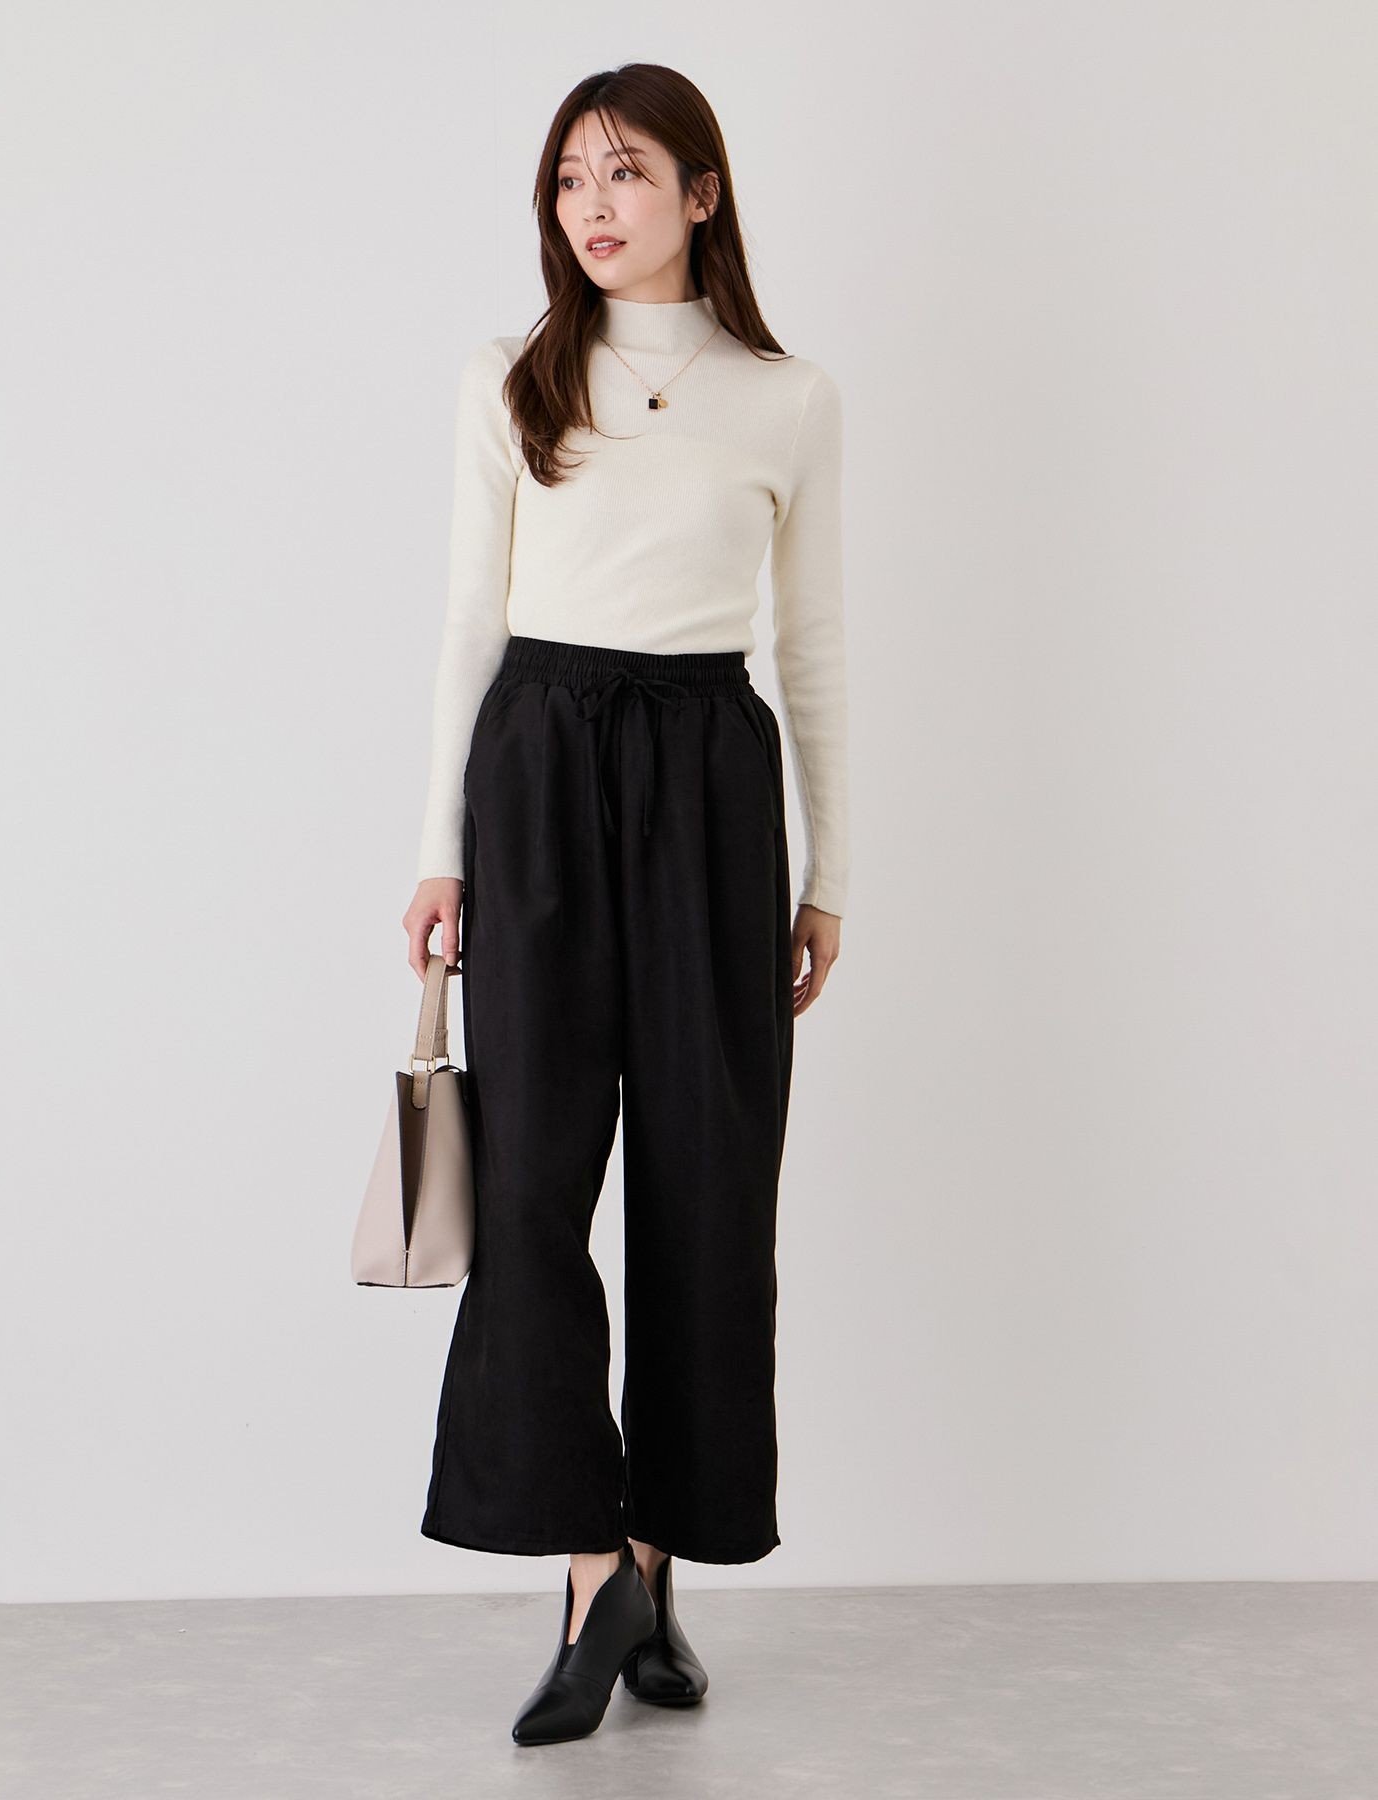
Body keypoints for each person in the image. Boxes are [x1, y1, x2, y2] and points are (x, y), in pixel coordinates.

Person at [401, 63, 849, 1747]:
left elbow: (812, 643)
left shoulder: (787, 399)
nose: (593, 205)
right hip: (536, 770)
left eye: (629, 172)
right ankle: (593, 1573)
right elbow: (469, 621)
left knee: (707, 1187)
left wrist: (832, 873)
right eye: (571, 179)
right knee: (530, 1188)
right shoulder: (512, 378)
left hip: (712, 783)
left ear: (702, 193)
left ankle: (657, 1566)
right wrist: (437, 849)